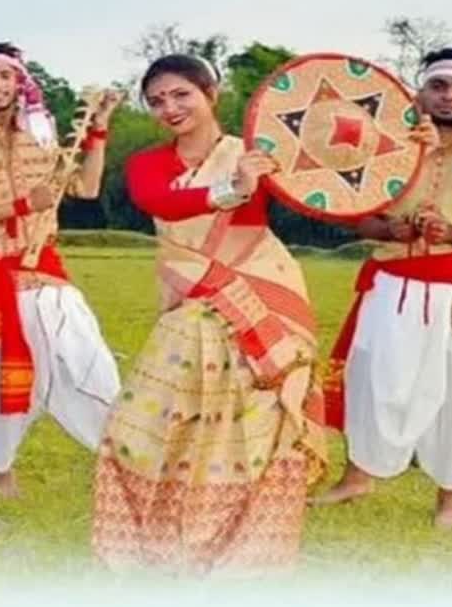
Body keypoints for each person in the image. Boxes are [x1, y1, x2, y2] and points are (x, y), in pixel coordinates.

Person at [91, 54, 326, 572]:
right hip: (192, 301)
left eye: (181, 95)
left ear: (211, 93)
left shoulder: (259, 154)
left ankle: (250, 550)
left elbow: (332, 187)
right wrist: (234, 188)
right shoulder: (148, 164)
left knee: (257, 424)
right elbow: (164, 203)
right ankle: (160, 541)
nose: (169, 108)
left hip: (263, 294)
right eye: (156, 101)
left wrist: (407, 150)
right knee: (143, 425)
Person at [316, 48, 452, 529]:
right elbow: (357, 219)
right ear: (420, 92)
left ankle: (449, 500)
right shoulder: (385, 148)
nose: (449, 97)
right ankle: (356, 477)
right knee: (370, 382)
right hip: (390, 285)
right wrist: (391, 231)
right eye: (439, 86)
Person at [0, 41, 120, 498]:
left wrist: (100, 132)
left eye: (6, 76)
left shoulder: (40, 138)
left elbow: (86, 188)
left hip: (45, 267)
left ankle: (117, 451)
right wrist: (21, 204)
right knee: (1, 375)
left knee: (85, 356)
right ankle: (2, 469)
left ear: (18, 81)